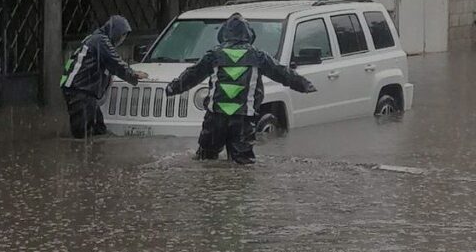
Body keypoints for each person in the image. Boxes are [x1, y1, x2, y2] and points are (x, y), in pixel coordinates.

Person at [165, 13, 316, 164]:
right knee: (243, 164)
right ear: (249, 35)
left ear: (223, 34)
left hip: (215, 118)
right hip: (243, 119)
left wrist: (173, 88)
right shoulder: (258, 56)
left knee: (205, 160)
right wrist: (304, 85)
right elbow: (282, 73)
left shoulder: (214, 55)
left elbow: (192, 75)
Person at [61, 15, 147, 138]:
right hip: (80, 91)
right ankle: (83, 154)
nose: (123, 39)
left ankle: (95, 153)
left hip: (83, 92)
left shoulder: (97, 40)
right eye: (122, 35)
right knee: (83, 134)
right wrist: (132, 74)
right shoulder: (100, 41)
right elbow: (115, 63)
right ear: (116, 32)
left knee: (98, 129)